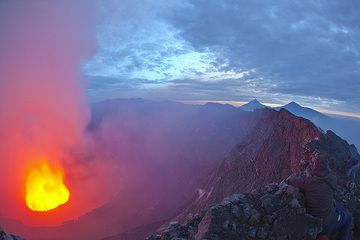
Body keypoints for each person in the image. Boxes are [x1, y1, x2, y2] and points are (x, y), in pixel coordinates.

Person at [287, 153, 353, 240]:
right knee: (348, 216)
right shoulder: (332, 179)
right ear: (327, 165)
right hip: (328, 223)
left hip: (314, 225)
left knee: (339, 205)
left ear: (316, 166)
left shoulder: (307, 182)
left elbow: (290, 181)